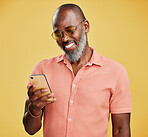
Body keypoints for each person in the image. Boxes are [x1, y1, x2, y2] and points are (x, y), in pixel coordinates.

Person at [23, 3, 132, 137]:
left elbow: (121, 130)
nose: (64, 39)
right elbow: (30, 129)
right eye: (58, 34)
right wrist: (34, 108)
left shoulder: (116, 72)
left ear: (85, 26)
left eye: (70, 30)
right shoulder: (42, 69)